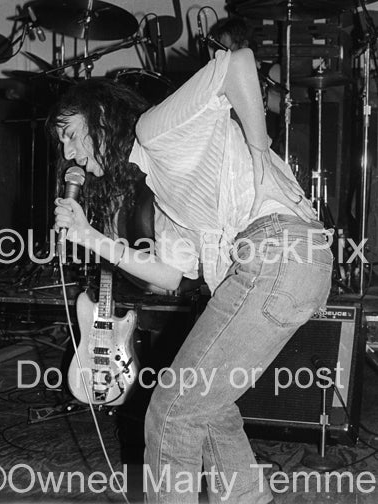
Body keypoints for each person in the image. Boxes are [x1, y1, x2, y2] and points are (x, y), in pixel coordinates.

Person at [50, 46, 333, 503]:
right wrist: (89, 236)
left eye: (72, 134)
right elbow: (169, 275)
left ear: (102, 115)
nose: (69, 153)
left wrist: (259, 149)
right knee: (207, 405)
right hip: (288, 265)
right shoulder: (164, 191)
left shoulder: (155, 129)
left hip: (278, 250)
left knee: (171, 414)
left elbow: (238, 63)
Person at [209, 16, 283, 149]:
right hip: (229, 146)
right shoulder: (220, 77)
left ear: (244, 45)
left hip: (267, 148)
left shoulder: (270, 71)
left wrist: (259, 89)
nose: (221, 54)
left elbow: (287, 108)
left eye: (226, 48)